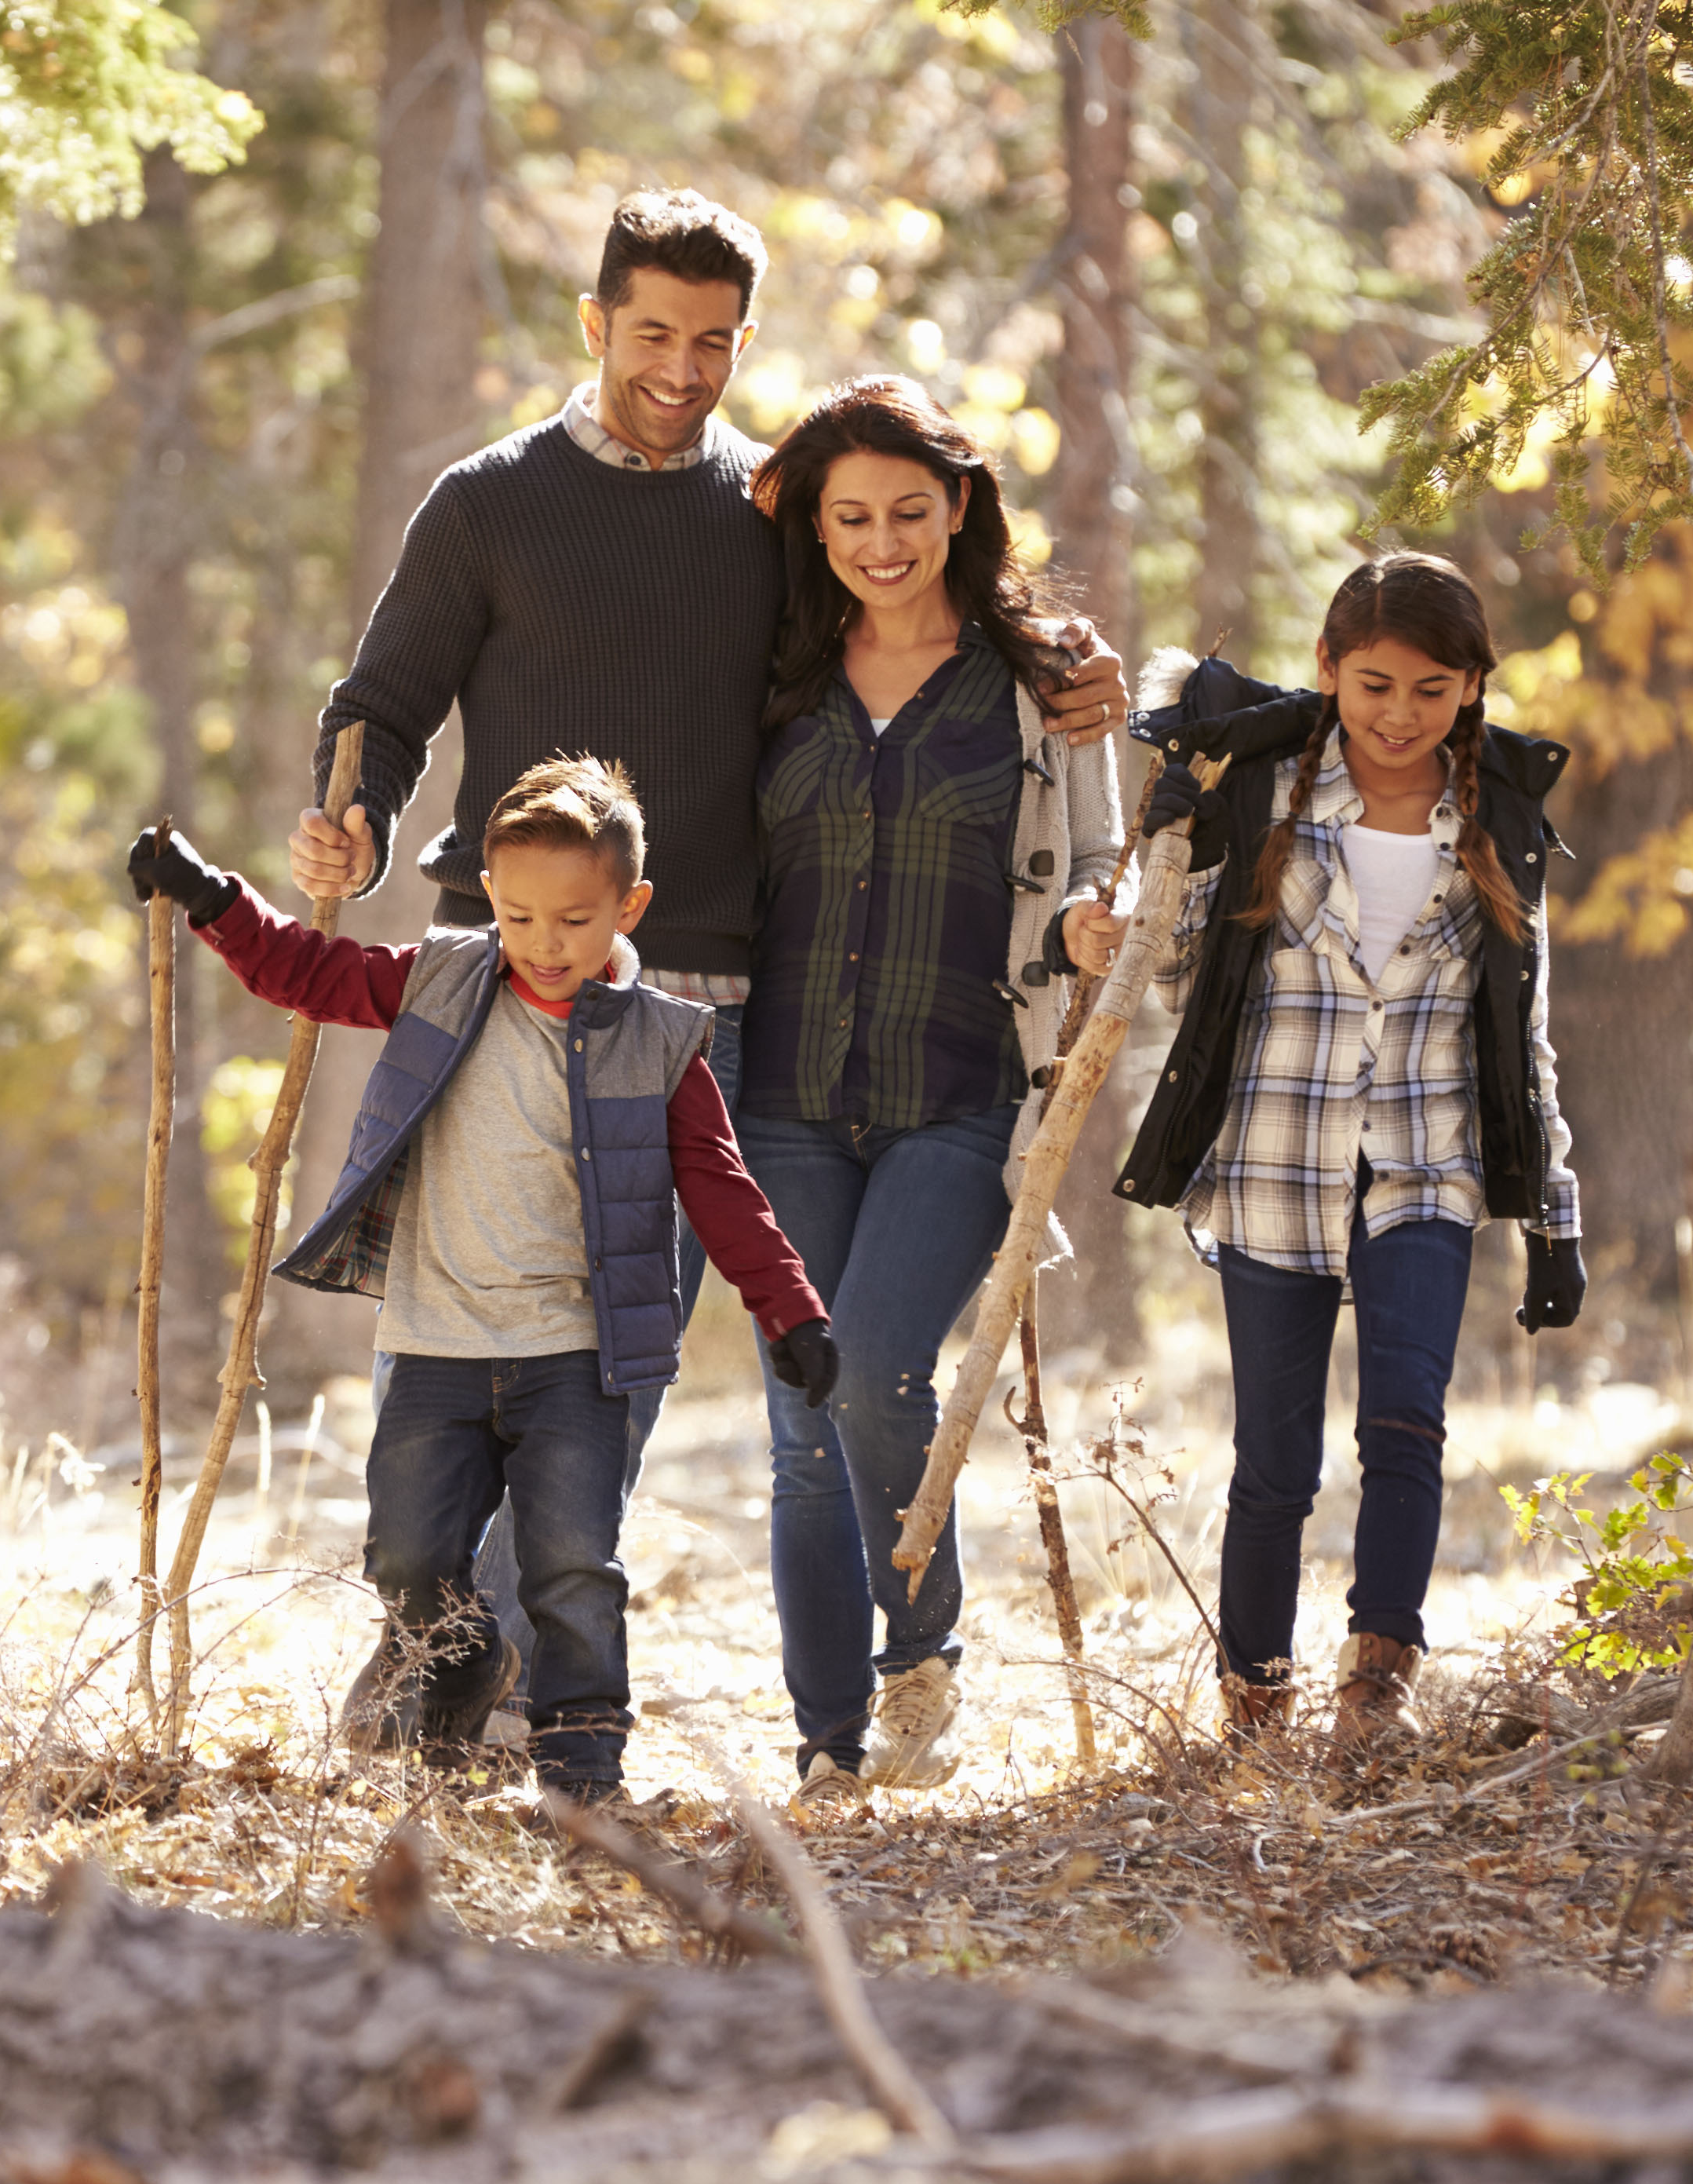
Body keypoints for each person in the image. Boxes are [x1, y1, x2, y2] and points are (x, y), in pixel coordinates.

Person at [291, 187, 1122, 1707]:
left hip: (700, 1006)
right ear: (594, 322)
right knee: (475, 1330)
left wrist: (1069, 667)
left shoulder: (766, 512)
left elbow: (916, 611)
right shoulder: (486, 500)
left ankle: (491, 1681)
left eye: (715, 341)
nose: (680, 368)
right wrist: (344, 811)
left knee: (620, 1357)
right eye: (653, 333)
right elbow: (382, 702)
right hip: (495, 982)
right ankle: (429, 1629)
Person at [130, 760, 839, 1808]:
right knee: (407, 1553)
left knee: (570, 1569)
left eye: (573, 918)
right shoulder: (445, 978)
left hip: (577, 1357)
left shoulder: (662, 1039)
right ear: (488, 899)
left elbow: (722, 1187)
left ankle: (583, 1768)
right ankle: (458, 1658)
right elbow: (310, 972)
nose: (544, 942)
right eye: (517, 914)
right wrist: (209, 897)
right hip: (435, 1347)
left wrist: (790, 1307)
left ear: (629, 906)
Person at [1113, 553, 1588, 1752]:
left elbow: (1523, 1030)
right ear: (1327, 670)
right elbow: (1173, 981)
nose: (1399, 713)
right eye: (1373, 683)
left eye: (1433, 689)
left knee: (1407, 1424)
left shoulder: (1499, 821)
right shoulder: (1264, 790)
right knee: (1275, 1460)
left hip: (1426, 1163)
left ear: (1474, 687)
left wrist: (1554, 1213)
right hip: (1275, 1160)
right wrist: (1175, 849)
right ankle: (1254, 1701)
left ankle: (1378, 1682)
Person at [729, 378, 1126, 1810]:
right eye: (852, 517)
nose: (882, 541)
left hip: (962, 1092)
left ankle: (921, 1646)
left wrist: (1097, 919)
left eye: (909, 510)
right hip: (778, 1094)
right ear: (817, 528)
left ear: (960, 507)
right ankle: (828, 1740)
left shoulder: (1043, 683)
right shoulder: (771, 665)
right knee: (798, 1413)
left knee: (881, 1364)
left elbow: (1103, 860)